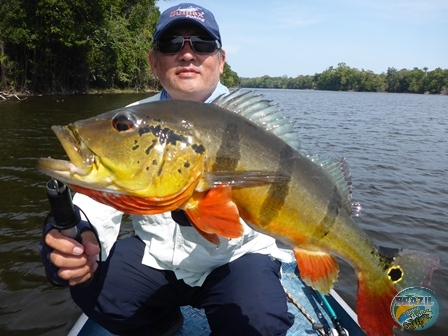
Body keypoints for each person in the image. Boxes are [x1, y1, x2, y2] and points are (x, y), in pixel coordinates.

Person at [40, 3, 295, 336]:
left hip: (235, 259)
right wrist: (77, 238)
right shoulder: (128, 122)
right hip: (159, 259)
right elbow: (98, 198)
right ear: (153, 61)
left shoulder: (255, 127)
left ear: (221, 60)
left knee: (258, 322)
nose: (187, 54)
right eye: (171, 44)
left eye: (201, 44)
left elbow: (293, 197)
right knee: (94, 290)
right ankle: (163, 323)